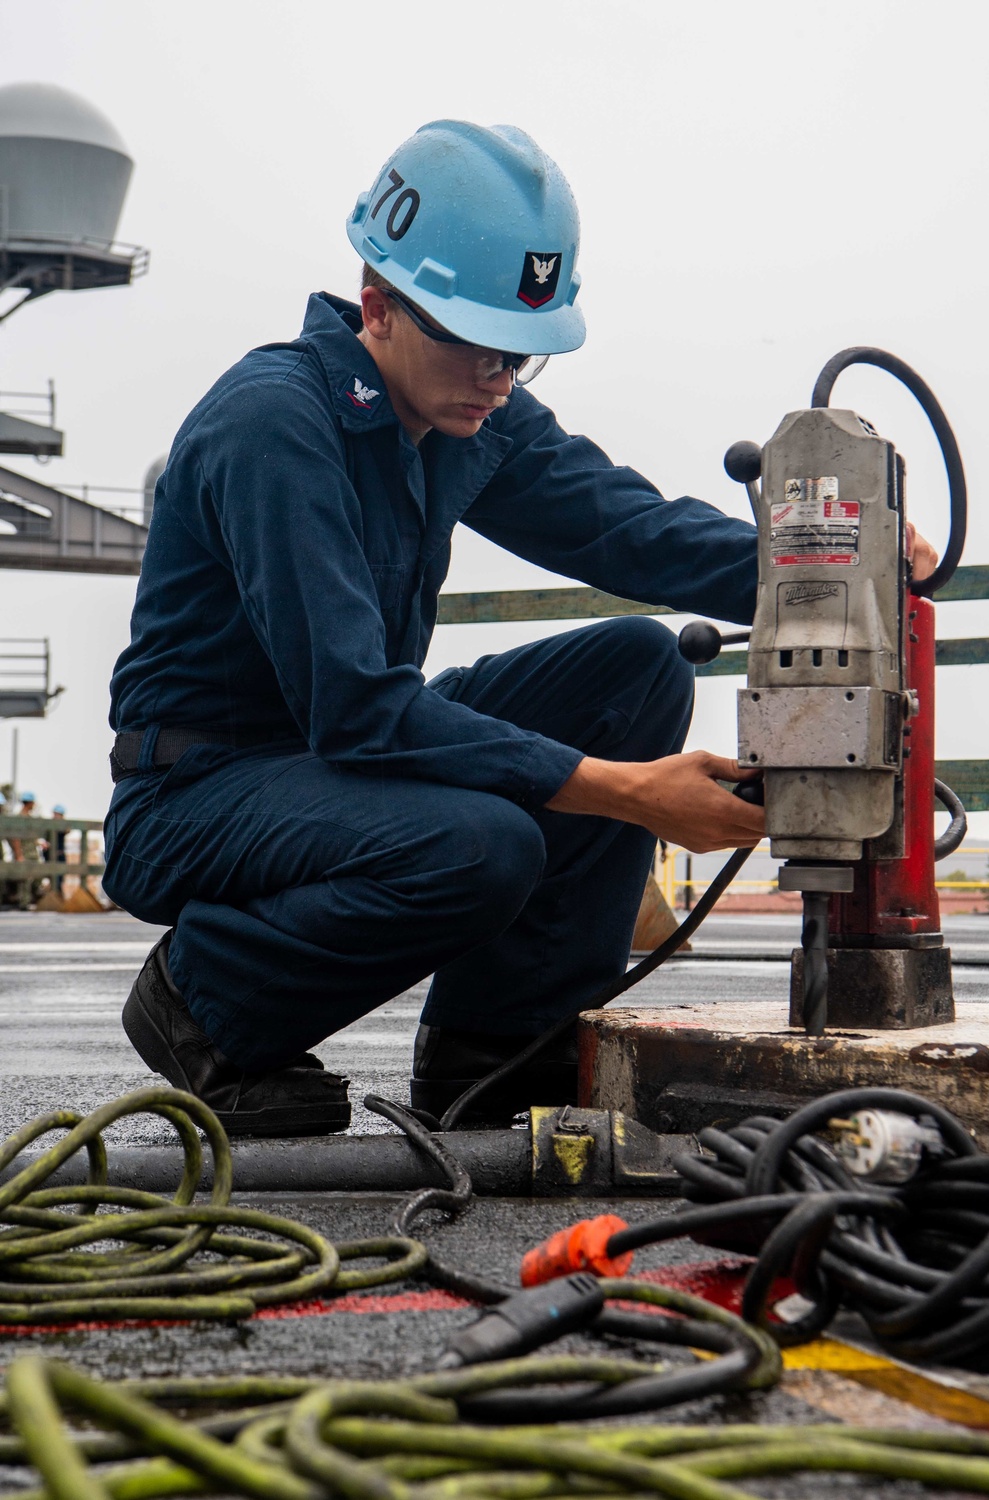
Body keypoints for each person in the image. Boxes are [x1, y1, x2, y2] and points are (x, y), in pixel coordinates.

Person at [105, 120, 936, 1138]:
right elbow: (358, 707)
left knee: (633, 670)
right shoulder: (274, 424)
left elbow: (625, 529)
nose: (499, 375)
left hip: (338, 768)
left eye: (521, 352)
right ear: (377, 308)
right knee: (481, 846)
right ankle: (208, 1004)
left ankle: (497, 1054)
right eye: (474, 343)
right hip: (201, 793)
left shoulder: (471, 415)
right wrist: (632, 796)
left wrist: (835, 561)